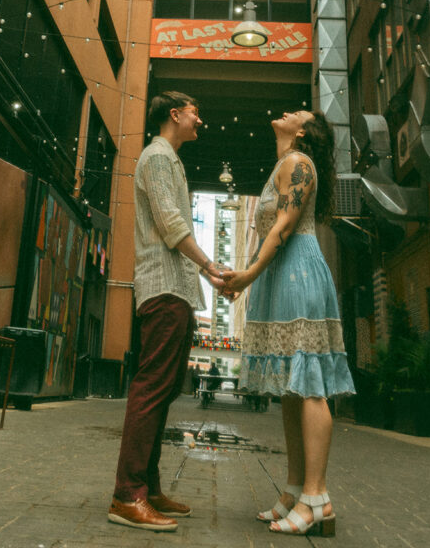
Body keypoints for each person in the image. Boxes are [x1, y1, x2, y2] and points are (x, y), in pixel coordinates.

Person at [222, 109, 355, 537]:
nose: (288, 110)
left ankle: (318, 499)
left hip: (297, 274)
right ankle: (296, 489)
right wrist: (249, 275)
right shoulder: (283, 165)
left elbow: (283, 226)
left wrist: (248, 273)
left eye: (298, 112)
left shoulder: (299, 164)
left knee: (310, 383)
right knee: (291, 390)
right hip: (282, 275)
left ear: (302, 132)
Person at [108, 91, 227, 533]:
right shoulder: (157, 157)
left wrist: (203, 278)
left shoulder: (170, 160)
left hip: (176, 291)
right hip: (162, 289)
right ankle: (127, 495)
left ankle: (148, 487)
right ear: (174, 115)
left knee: (165, 387)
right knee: (151, 388)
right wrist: (212, 267)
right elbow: (171, 224)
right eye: (195, 110)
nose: (200, 117)